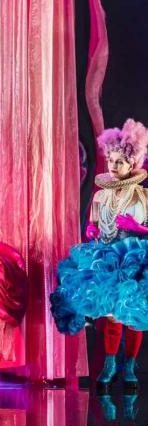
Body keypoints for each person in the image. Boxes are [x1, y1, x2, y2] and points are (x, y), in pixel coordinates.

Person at [51, 119, 148, 393]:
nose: (114, 166)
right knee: (111, 316)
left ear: (133, 164)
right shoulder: (100, 197)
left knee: (131, 316)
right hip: (106, 259)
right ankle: (109, 363)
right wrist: (92, 231)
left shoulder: (142, 196)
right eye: (111, 161)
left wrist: (136, 227)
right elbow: (94, 227)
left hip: (134, 259)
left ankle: (129, 364)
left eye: (120, 162)